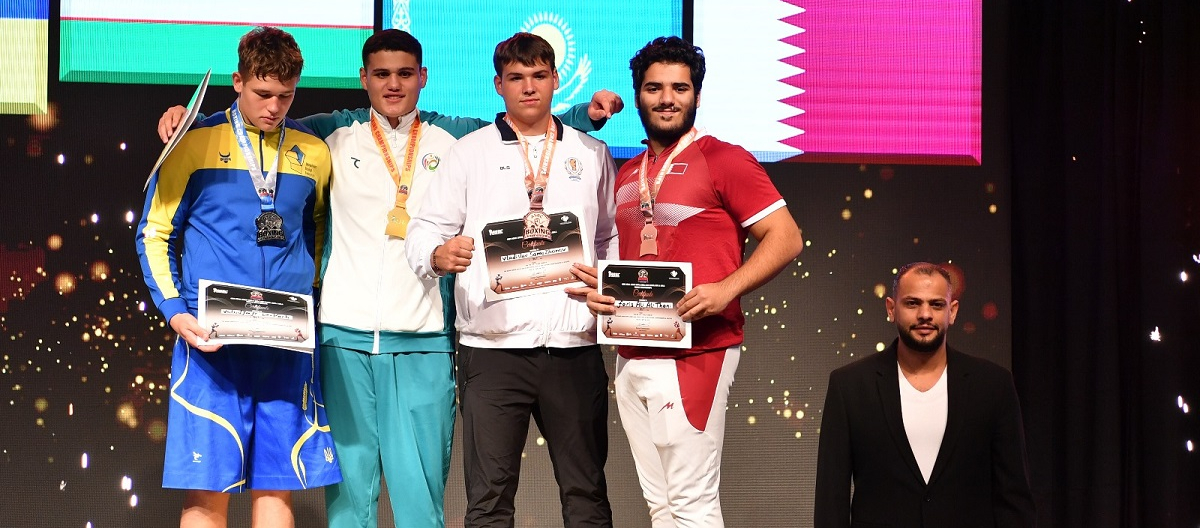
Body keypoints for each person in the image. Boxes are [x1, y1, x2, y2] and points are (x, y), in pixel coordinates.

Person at [155, 29, 623, 528]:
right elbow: (259, 130)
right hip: (342, 338)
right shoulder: (328, 134)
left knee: (421, 504)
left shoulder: (455, 135)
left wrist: (583, 116)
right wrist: (190, 121)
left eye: (405, 74)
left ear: (423, 77)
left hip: (424, 338)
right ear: (364, 78)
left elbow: (522, 123)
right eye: (381, 74)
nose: (393, 84)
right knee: (349, 503)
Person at [579, 36, 804, 527]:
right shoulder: (628, 173)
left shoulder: (724, 158)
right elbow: (624, 259)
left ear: (697, 96)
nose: (667, 98)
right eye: (654, 88)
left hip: (697, 353)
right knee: (661, 507)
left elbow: (785, 238)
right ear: (638, 94)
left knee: (692, 506)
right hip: (632, 351)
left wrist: (725, 289)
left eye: (680, 88)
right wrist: (603, 291)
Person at [404, 32, 618, 528]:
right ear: (498, 84)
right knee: (489, 501)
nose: (529, 88)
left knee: (587, 494)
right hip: (492, 350)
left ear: (556, 81)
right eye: (517, 78)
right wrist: (438, 254)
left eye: (539, 76)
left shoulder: (590, 152)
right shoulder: (470, 152)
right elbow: (426, 228)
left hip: (573, 347)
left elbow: (607, 237)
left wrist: (604, 284)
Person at [134, 26, 340, 528]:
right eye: (262, 93)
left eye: (286, 96)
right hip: (209, 343)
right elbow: (154, 233)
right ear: (237, 81)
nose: (274, 107)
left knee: (278, 490)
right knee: (207, 495)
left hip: (285, 343)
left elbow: (316, 236)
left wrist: (307, 301)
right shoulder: (194, 143)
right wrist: (176, 314)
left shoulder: (315, 153)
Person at [814, 262, 1036, 527]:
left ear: (952, 311)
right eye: (912, 303)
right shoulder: (849, 386)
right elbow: (831, 501)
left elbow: (1014, 498)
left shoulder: (993, 385)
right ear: (891, 309)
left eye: (937, 305)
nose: (925, 314)